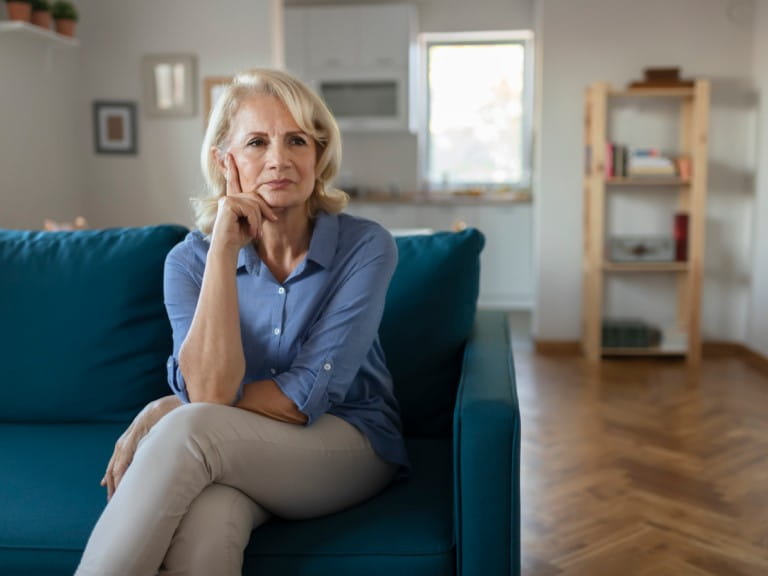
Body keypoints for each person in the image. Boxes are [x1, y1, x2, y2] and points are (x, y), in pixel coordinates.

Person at [76, 68, 409, 576]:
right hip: (244, 448)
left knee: (189, 430)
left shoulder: (365, 247)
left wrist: (169, 405)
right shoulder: (188, 263)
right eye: (256, 142)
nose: (279, 159)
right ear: (223, 160)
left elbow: (303, 399)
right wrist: (223, 251)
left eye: (296, 140)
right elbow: (208, 390)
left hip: (350, 440)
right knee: (208, 522)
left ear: (317, 157)